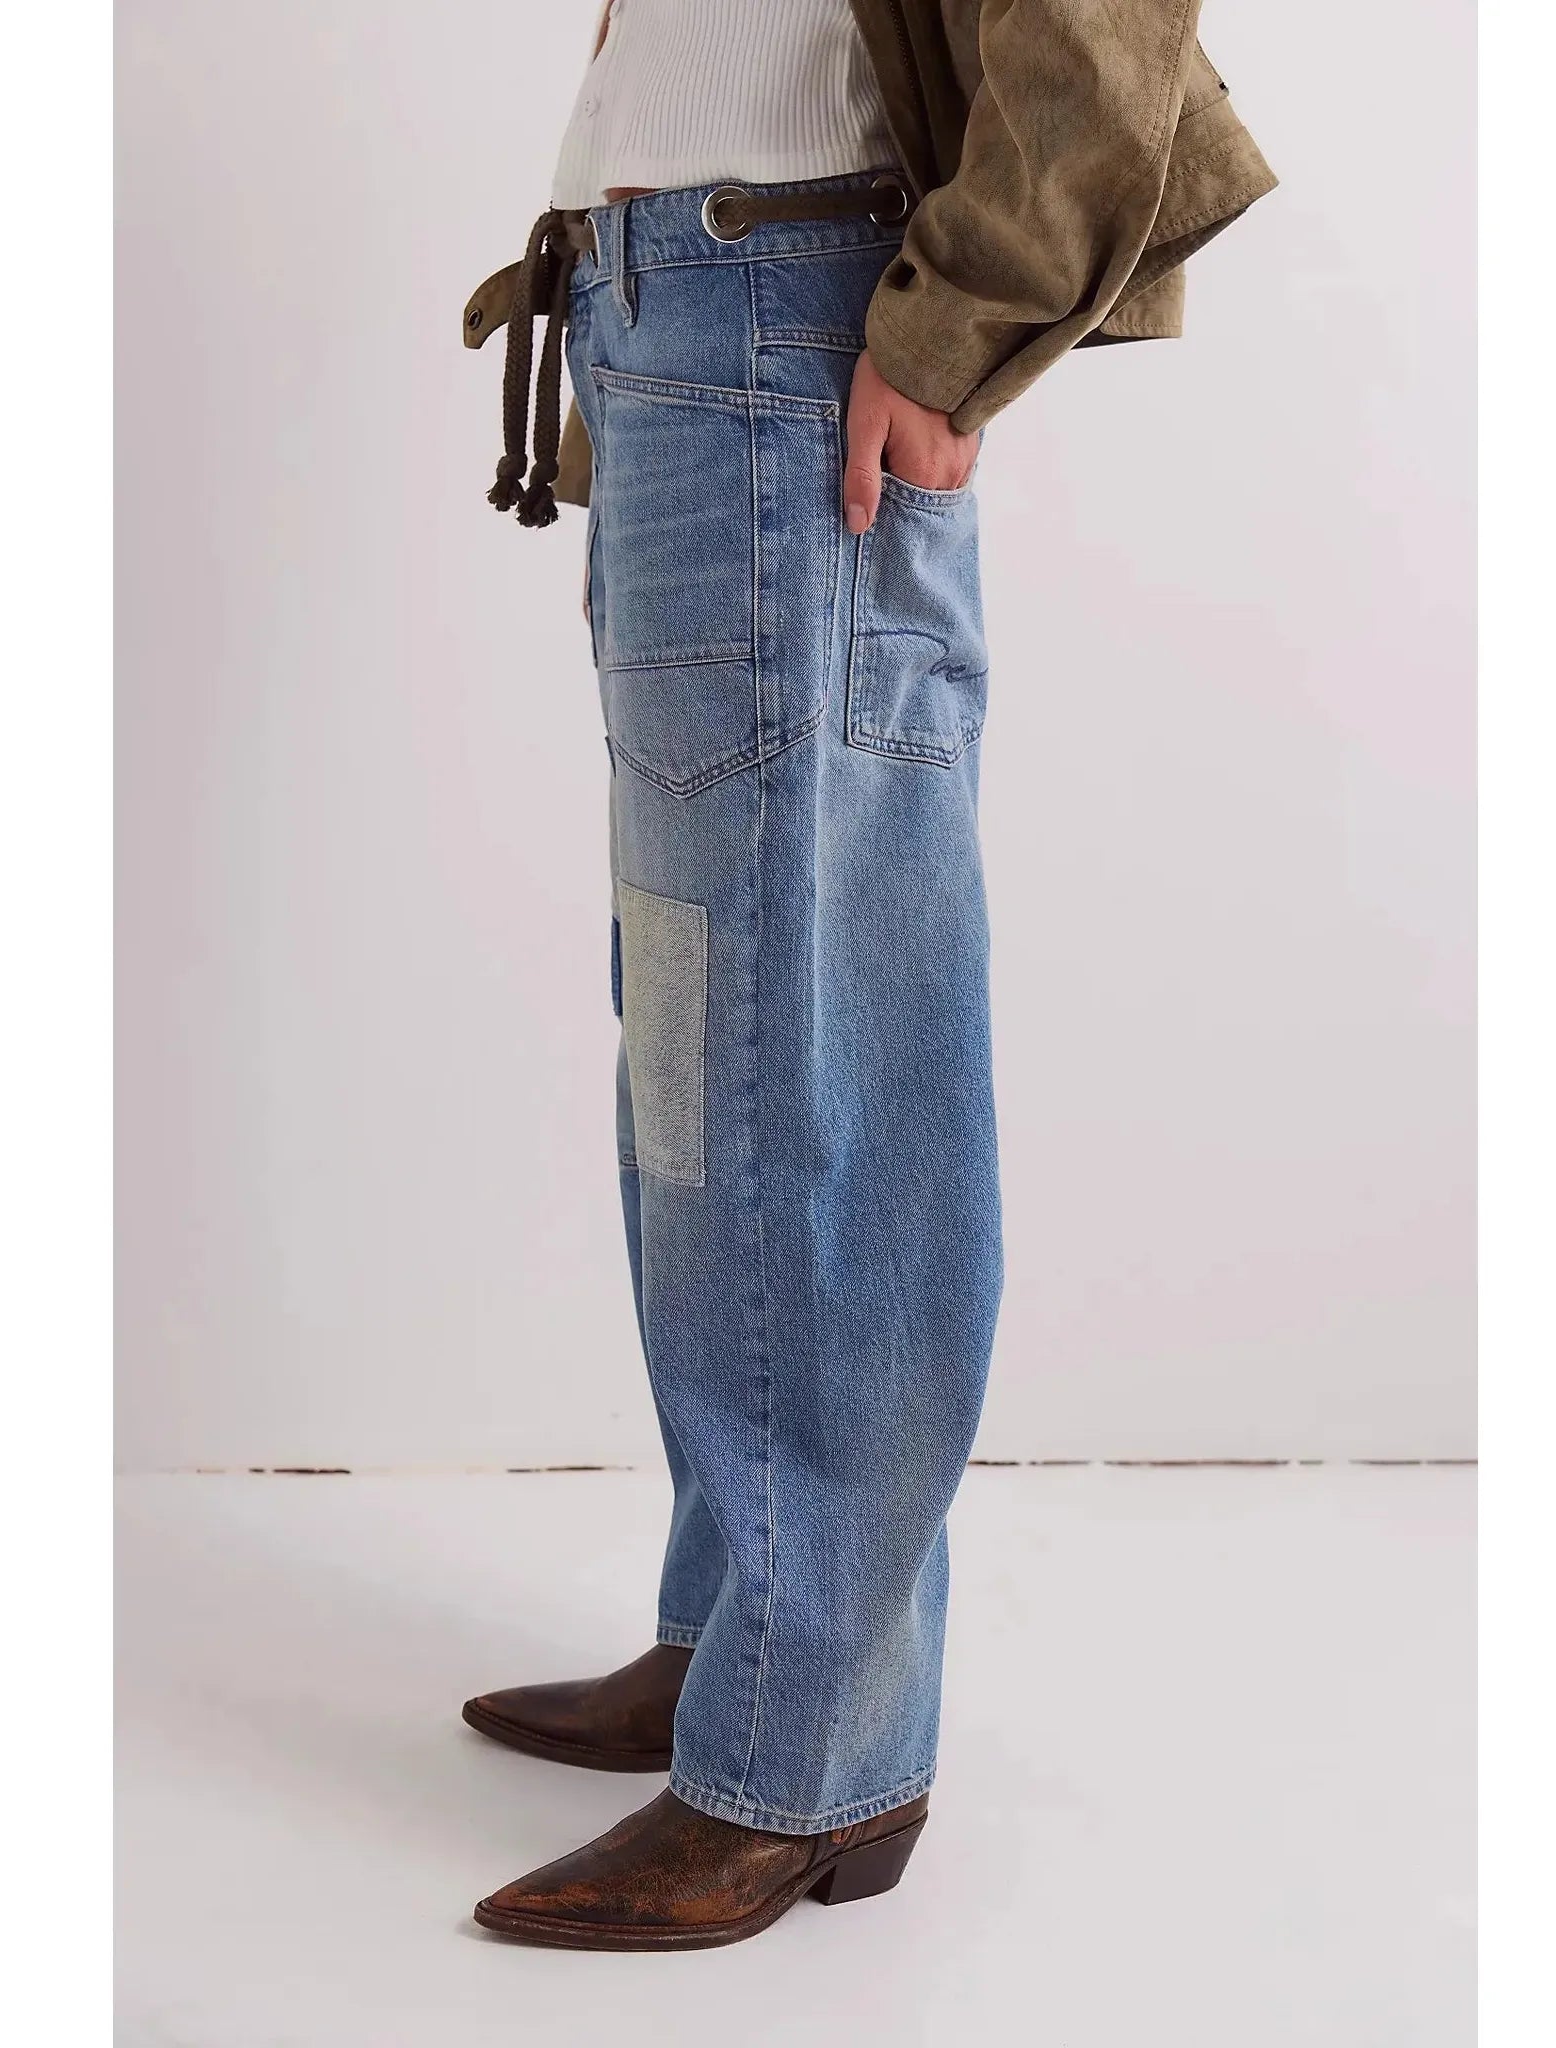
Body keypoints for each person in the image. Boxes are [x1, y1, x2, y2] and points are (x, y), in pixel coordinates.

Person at [460, 0, 1274, 1952]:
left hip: (791, 319)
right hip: (678, 320)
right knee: (703, 1035)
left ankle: (810, 1748)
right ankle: (739, 1637)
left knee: (802, 1041)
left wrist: (953, 323)